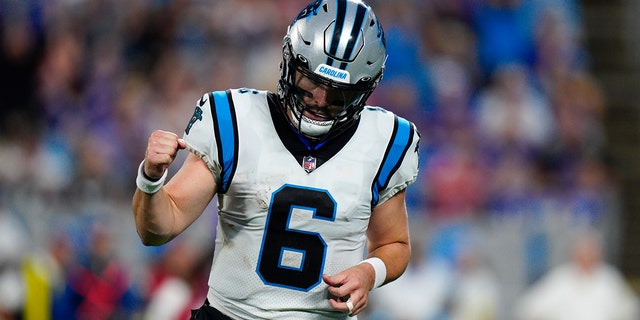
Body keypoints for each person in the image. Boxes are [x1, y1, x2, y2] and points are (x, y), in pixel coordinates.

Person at [131, 0, 420, 319]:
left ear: (365, 90)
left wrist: (370, 272)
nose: (320, 101)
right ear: (289, 61)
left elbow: (394, 244)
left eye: (338, 93)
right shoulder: (234, 120)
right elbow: (157, 230)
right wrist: (151, 177)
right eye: (311, 81)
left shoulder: (386, 139)